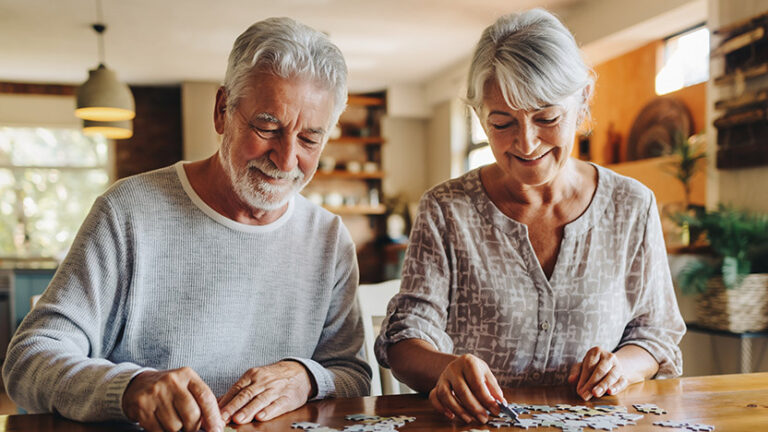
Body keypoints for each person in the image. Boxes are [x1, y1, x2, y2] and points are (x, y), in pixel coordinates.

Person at [3, 17, 371, 432]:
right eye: (267, 127)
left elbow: (352, 373)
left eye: (309, 140)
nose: (286, 160)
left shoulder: (328, 238)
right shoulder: (127, 211)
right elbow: (29, 360)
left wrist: (306, 377)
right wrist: (129, 387)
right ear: (222, 111)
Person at [374, 9, 685, 425]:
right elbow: (403, 339)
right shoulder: (447, 209)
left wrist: (621, 367)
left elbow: (656, 333)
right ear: (481, 116)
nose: (526, 142)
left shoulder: (632, 206)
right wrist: (443, 367)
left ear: (583, 100)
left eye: (547, 118)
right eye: (502, 123)